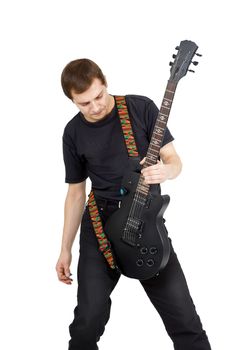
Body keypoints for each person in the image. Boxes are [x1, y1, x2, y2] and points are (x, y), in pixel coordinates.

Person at [56, 58, 211, 350]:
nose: (95, 107)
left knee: (184, 319)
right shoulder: (72, 133)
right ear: (73, 101)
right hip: (99, 225)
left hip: (144, 222)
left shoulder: (140, 108)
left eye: (98, 96)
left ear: (105, 82)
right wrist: (64, 249)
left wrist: (166, 171)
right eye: (84, 104)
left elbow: (174, 161)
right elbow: (76, 193)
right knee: (87, 321)